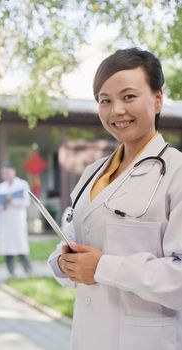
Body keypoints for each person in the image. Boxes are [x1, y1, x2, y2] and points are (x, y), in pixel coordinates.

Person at [48, 47, 182, 350]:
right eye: (104, 101)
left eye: (129, 97)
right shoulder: (93, 173)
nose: (116, 111)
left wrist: (103, 268)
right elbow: (76, 237)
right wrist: (63, 261)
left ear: (158, 99)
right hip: (87, 336)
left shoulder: (177, 172)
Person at [0, 163, 32, 277]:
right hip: (5, 221)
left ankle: (28, 270)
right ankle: (11, 271)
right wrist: (4, 203)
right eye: (3, 173)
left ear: (13, 171)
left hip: (17, 220)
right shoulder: (1, 187)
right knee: (7, 247)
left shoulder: (22, 184)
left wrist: (11, 200)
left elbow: (26, 201)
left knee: (21, 245)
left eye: (7, 172)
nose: (5, 175)